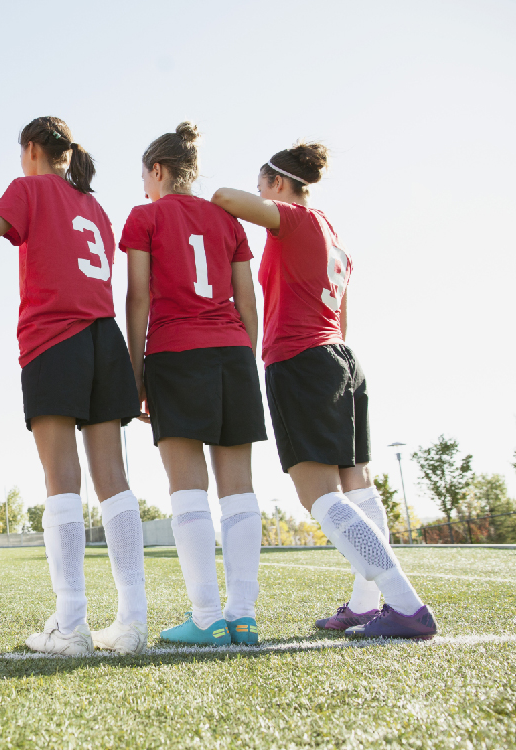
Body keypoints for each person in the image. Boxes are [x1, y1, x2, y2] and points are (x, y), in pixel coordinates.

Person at [212, 143, 436, 638]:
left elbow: (225, 198)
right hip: (340, 359)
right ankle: (365, 602)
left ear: (277, 183)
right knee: (356, 485)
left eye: (262, 184)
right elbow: (344, 321)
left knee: (319, 495)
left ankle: (406, 605)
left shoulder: (295, 219)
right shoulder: (333, 235)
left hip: (301, 361)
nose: (257, 192)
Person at [0, 116, 148, 656]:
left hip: (54, 338)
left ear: (33, 150)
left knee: (61, 478)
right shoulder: (96, 206)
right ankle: (132, 622)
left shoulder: (28, 187)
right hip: (103, 339)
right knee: (114, 478)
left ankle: (71, 625)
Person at [122, 122, 266, 646]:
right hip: (232, 351)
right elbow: (249, 303)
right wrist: (241, 355)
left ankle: (206, 618)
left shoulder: (146, 216)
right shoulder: (227, 220)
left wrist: (135, 370)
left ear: (158, 171)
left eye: (145, 177)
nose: (144, 188)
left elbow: (138, 298)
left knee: (188, 489)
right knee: (239, 489)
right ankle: (243, 617)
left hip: (174, 353)